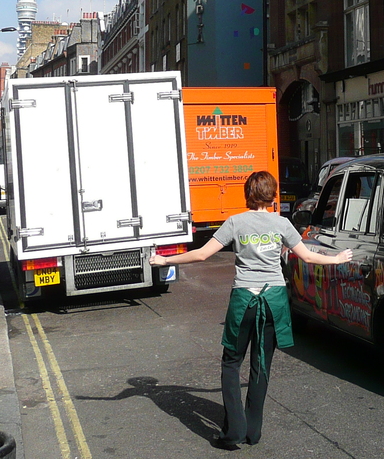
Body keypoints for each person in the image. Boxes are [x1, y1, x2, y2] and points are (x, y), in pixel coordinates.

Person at [150, 171, 351, 449]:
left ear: (248, 193)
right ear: (272, 195)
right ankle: (252, 432)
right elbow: (306, 256)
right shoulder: (282, 223)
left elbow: (201, 254)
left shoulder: (235, 222)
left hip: (244, 299)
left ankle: (234, 431)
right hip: (274, 300)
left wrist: (163, 260)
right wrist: (337, 258)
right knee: (261, 365)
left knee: (231, 363)